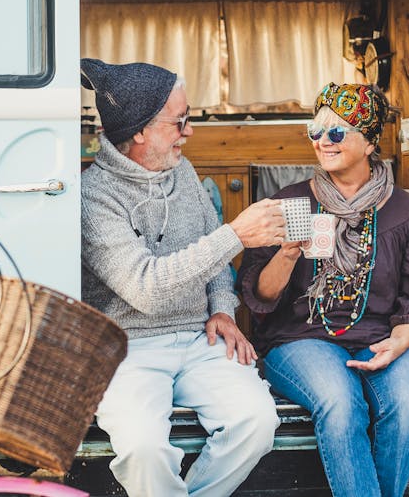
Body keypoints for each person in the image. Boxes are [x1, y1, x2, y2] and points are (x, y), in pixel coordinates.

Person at [79, 58, 284, 497]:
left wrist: (224, 311)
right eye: (180, 121)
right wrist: (236, 235)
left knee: (258, 423)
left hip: (198, 341)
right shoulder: (93, 198)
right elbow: (147, 289)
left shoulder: (183, 172)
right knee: (143, 450)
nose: (189, 131)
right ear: (139, 131)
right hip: (126, 349)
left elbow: (214, 264)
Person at [237, 83, 409, 497]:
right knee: (340, 404)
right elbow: (260, 299)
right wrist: (285, 255)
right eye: (315, 131)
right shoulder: (290, 202)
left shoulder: (405, 211)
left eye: (337, 133)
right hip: (301, 339)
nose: (323, 142)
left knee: (407, 407)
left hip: (381, 338)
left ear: (370, 141)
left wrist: (399, 341)